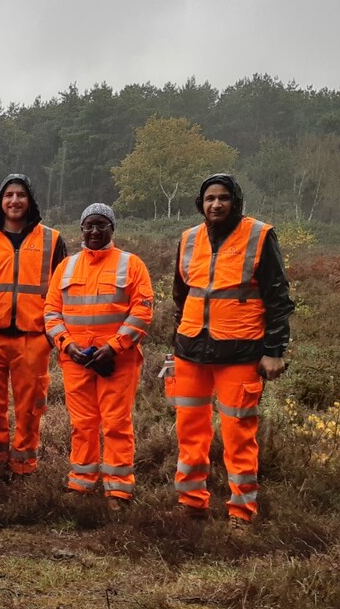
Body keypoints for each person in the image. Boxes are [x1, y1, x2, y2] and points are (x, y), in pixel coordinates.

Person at [168, 173, 292, 525]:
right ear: (201, 203)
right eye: (209, 198)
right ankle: (191, 502)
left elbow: (278, 297)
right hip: (191, 349)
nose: (216, 204)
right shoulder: (189, 238)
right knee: (189, 430)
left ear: (235, 202)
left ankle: (241, 511)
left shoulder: (259, 235)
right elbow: (182, 295)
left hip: (240, 351)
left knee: (238, 433)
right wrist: (176, 340)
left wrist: (274, 350)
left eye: (223, 198)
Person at [44, 204, 153, 509]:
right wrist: (67, 345)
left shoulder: (132, 265)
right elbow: (51, 312)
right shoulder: (66, 267)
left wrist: (115, 347)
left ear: (112, 229)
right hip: (76, 360)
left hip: (118, 361)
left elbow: (142, 311)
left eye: (101, 225)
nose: (94, 231)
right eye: (88, 226)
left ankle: (118, 490)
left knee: (116, 422)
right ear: (81, 229)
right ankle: (82, 482)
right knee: (82, 423)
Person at [0, 174, 67, 486]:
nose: (14, 200)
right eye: (8, 194)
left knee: (30, 408)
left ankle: (23, 468)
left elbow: (63, 290)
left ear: (30, 201)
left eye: (20, 195)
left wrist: (51, 334)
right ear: (0, 201)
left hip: (33, 338)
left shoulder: (52, 240)